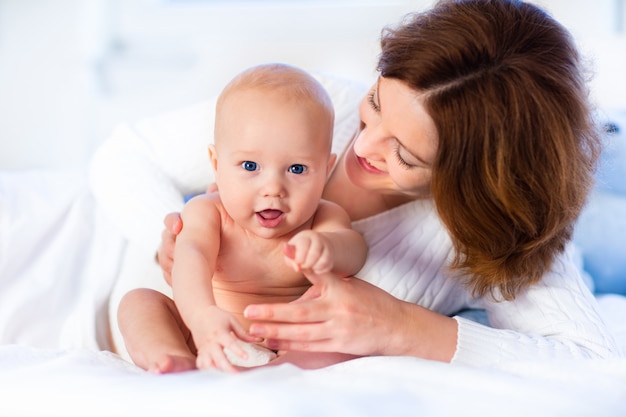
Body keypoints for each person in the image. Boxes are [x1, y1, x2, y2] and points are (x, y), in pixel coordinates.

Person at [152, 0, 621, 367]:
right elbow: (126, 155)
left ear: (466, 183)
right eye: (375, 102)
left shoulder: (494, 238)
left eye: (404, 154)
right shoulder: (305, 105)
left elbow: (593, 363)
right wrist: (174, 240)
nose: (361, 146)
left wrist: (404, 326)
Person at [116, 63, 368, 373]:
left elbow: (354, 251)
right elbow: (191, 256)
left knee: (340, 344)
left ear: (326, 170)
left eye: (297, 169)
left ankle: (280, 372)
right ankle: (172, 359)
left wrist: (327, 247)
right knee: (139, 303)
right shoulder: (208, 212)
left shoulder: (324, 218)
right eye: (250, 166)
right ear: (216, 164)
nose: (273, 188)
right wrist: (201, 317)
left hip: (285, 344)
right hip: (204, 334)